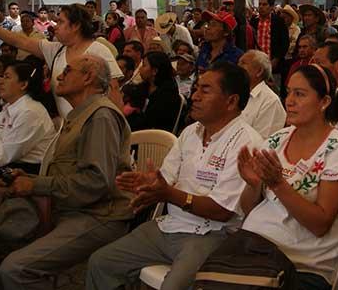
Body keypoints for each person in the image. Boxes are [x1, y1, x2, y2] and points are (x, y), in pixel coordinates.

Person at [86, 62, 264, 290]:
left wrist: (168, 193)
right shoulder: (191, 132)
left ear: (231, 101)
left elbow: (222, 211)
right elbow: (166, 179)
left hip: (212, 235)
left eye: (205, 90)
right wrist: (149, 185)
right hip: (170, 225)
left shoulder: (247, 143)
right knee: (101, 263)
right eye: (197, 88)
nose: (195, 96)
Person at [0, 56, 133, 290]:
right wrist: (29, 179)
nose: (58, 76)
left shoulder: (100, 116)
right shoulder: (80, 115)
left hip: (98, 216)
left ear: (88, 77)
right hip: (69, 207)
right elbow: (71, 172)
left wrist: (36, 186)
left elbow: (95, 183)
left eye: (67, 71)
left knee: (15, 268)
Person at [237, 64, 338, 289]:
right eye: (288, 92)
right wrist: (253, 184)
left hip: (302, 265)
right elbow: (249, 209)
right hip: (254, 250)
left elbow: (320, 224)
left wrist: (278, 183)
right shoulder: (277, 140)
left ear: (324, 102)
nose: (289, 100)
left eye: (300, 94)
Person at [0, 4, 123, 117]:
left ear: (75, 26)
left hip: (94, 126)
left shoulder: (99, 50)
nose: (55, 26)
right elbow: (19, 41)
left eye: (60, 21)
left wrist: (118, 132)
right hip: (68, 127)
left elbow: (114, 93)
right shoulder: (56, 50)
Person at [0, 59, 56, 174]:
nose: (1, 82)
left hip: (25, 170)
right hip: (5, 162)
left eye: (7, 77)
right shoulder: (11, 107)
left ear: (24, 84)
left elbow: (4, 155)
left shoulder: (30, 112)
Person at [238, 50, 286, 138]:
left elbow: (263, 142)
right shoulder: (236, 94)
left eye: (243, 63)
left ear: (259, 71)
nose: (237, 67)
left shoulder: (270, 101)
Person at [132, 51, 181, 133]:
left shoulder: (167, 93)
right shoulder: (144, 86)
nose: (140, 69)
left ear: (154, 71)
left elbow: (151, 121)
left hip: (154, 136)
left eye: (144, 65)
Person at [249, 0, 289, 73]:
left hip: (274, 65)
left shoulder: (278, 21)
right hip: (256, 64)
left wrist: (276, 59)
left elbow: (284, 42)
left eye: (264, 4)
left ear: (271, 7)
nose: (261, 7)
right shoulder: (253, 21)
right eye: (259, 4)